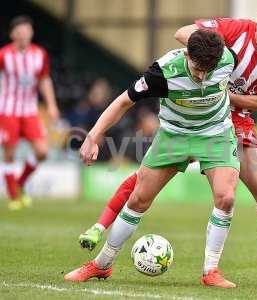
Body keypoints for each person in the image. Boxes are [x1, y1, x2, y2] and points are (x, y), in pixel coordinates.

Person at [78, 0, 257, 289]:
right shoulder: (204, 49)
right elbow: (182, 33)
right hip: (177, 129)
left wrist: (220, 94)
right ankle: (101, 255)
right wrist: (94, 135)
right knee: (141, 191)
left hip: (224, 124)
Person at [65, 30, 241, 288]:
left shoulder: (227, 58)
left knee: (226, 197)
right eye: (197, 68)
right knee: (138, 199)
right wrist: (94, 135)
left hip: (216, 133)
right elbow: (123, 102)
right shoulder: (162, 72)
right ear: (187, 54)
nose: (202, 75)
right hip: (174, 135)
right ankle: (101, 265)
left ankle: (211, 271)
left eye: (208, 70)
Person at [0, 15, 59, 210]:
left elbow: (44, 80)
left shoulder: (39, 54)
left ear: (31, 32)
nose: (23, 33)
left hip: (30, 111)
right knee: (10, 154)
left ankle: (20, 182)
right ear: (12, 34)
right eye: (19, 31)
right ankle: (14, 196)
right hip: (8, 110)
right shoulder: (4, 55)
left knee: (42, 151)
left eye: (27, 30)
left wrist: (51, 105)